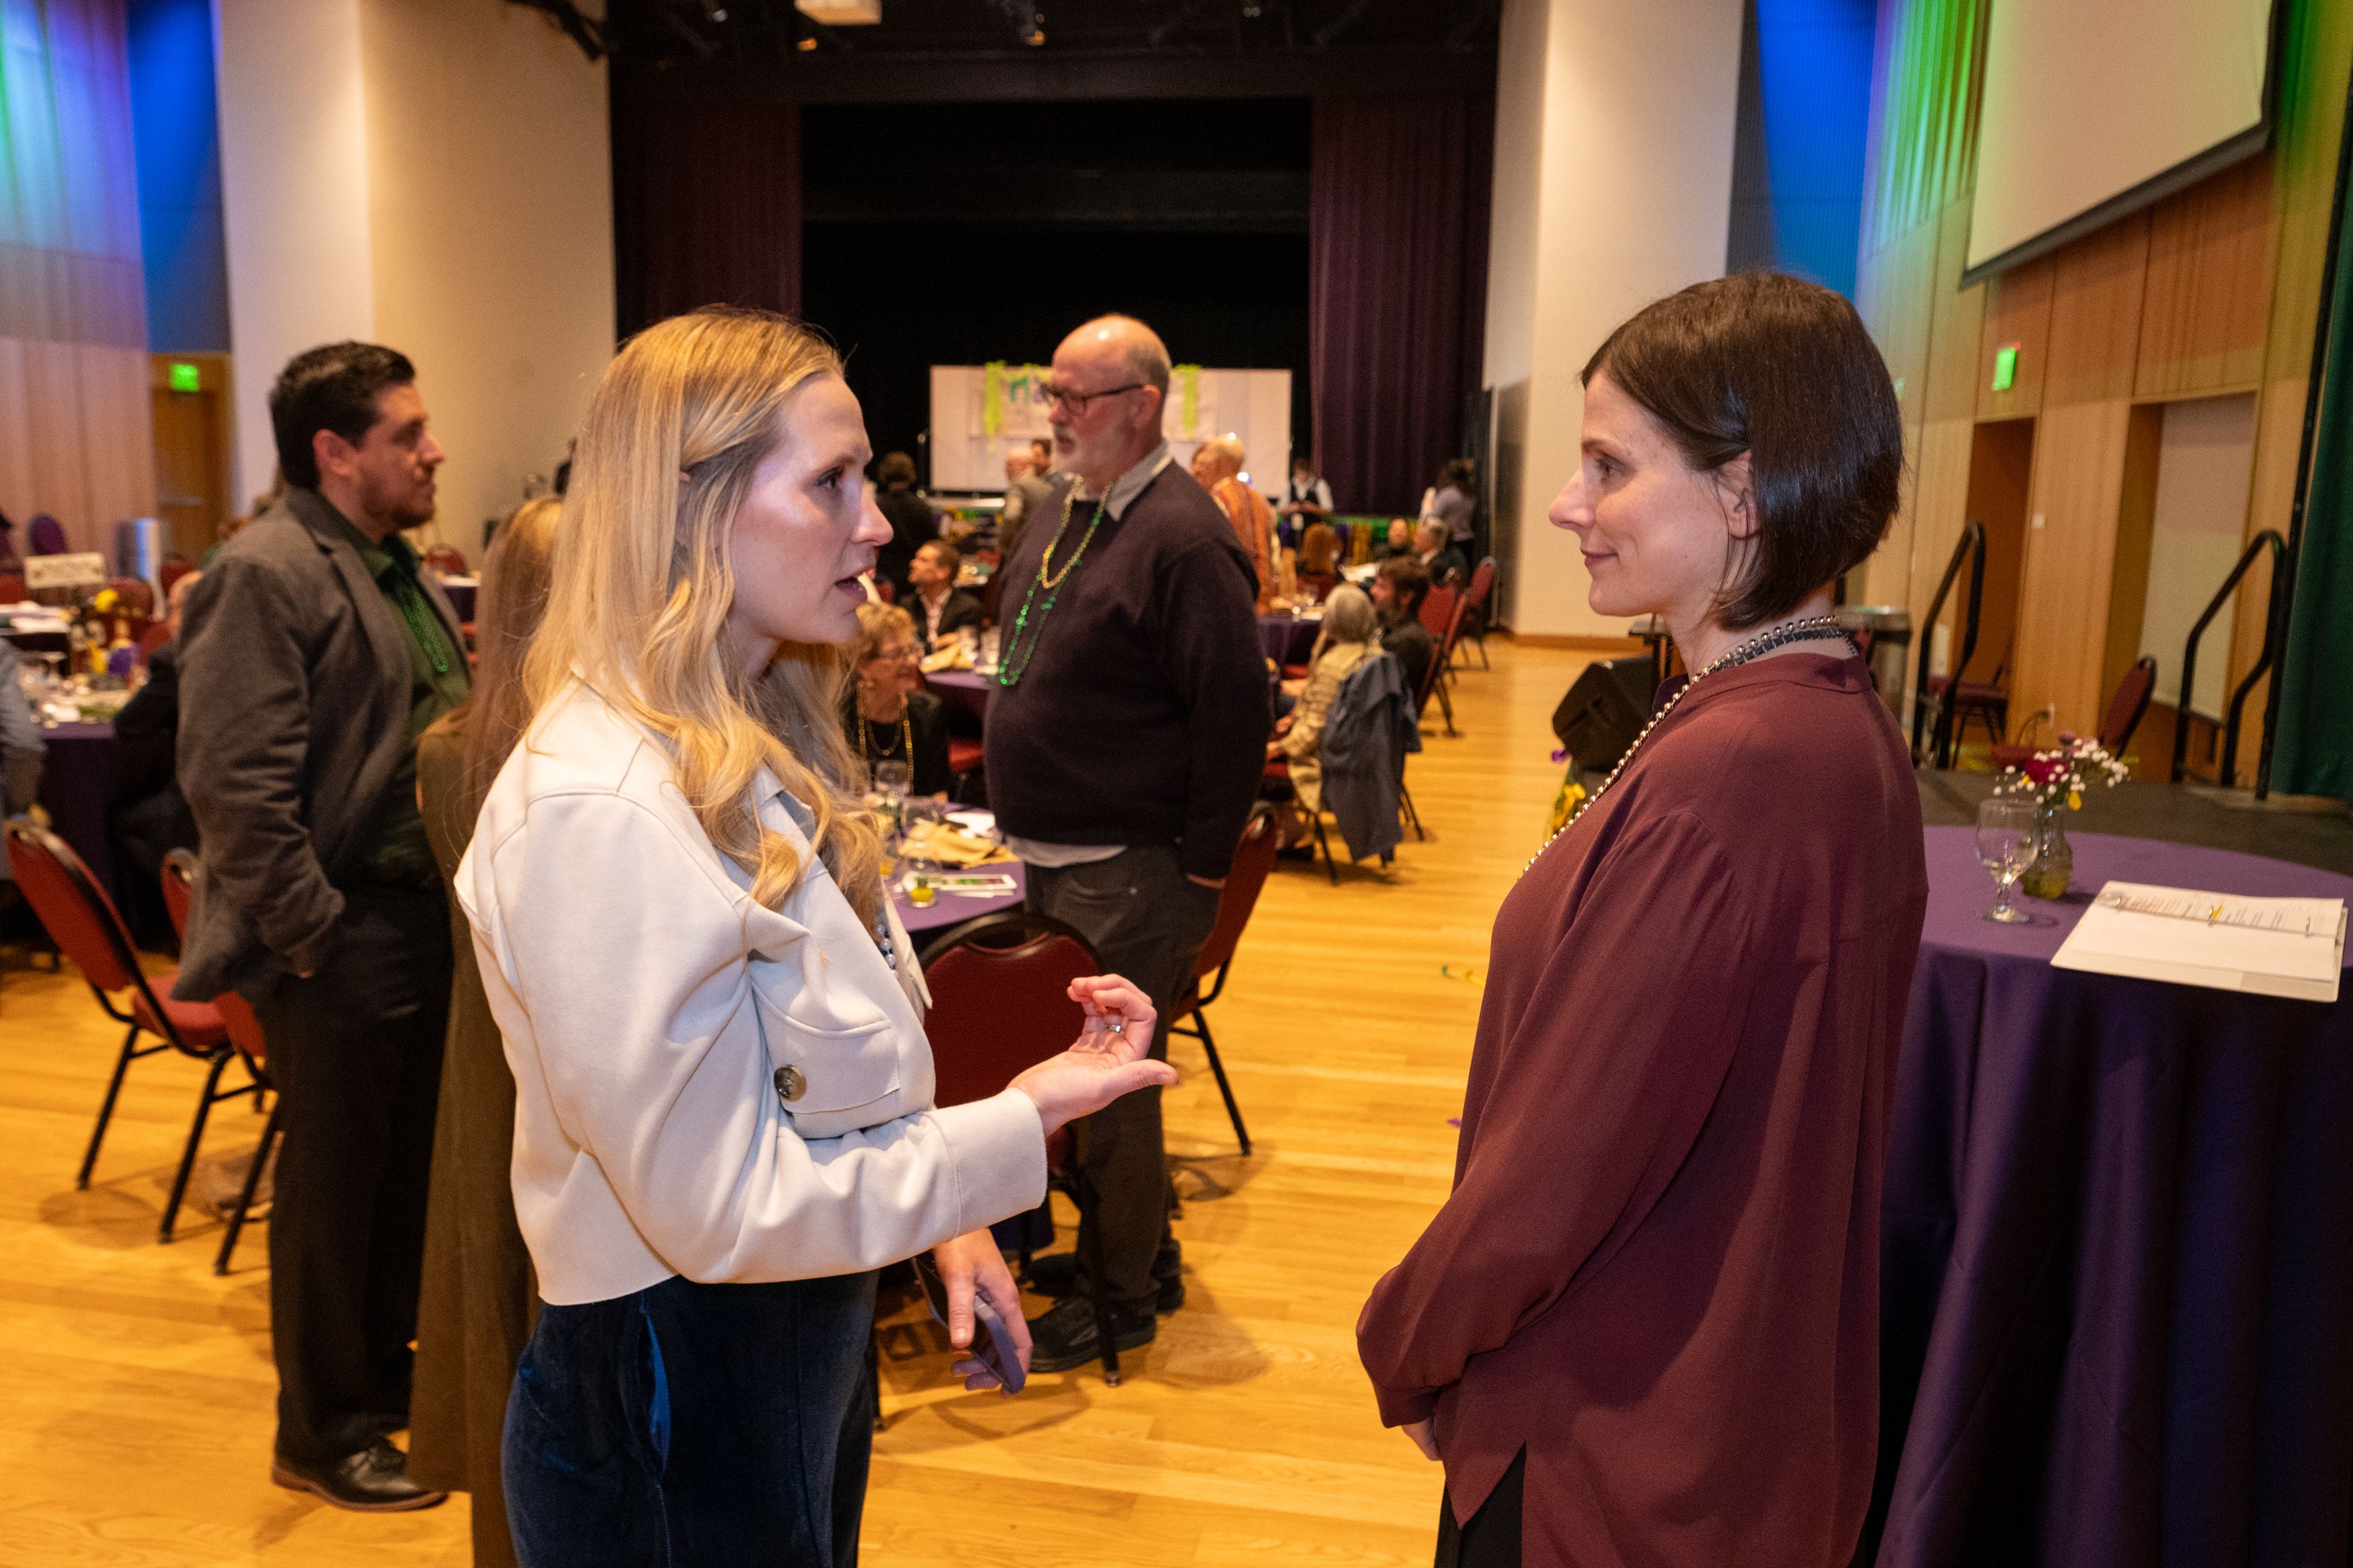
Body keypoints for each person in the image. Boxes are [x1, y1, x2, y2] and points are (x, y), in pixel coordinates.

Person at [453, 307, 1171, 1564]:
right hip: (673, 1400)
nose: (878, 521)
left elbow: (812, 1082)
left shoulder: (737, 740)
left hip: (769, 1362)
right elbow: (725, 1211)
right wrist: (1019, 1122)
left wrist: (941, 1215)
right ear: (692, 509)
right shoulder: (597, 804)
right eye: (831, 482)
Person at [1355, 272, 1929, 1567]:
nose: (1569, 504)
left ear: (1743, 493)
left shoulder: (1737, 767)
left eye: (1610, 466)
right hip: (1729, 1429)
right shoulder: (1826, 718)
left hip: (1609, 1440)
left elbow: (1560, 1173)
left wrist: (1409, 1340)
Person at [175, 341, 468, 1510]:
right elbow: (235, 789)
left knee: (399, 1179)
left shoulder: (389, 561)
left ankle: (380, 1379)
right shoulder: (264, 571)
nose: (434, 449)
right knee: (335, 1191)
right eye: (408, 433)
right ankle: (321, 1428)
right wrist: (316, 935)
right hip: (345, 932)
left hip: (418, 923)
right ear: (335, 452)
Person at [986, 313, 1271, 1372]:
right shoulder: (1072, 504)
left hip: (1134, 871)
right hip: (1067, 861)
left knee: (1109, 1096)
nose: (1055, 414)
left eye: (1077, 397)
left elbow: (1236, 713)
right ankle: (1140, 1256)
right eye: (1050, 393)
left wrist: (1199, 869)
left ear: (1143, 406)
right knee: (1092, 1081)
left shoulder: (1185, 536)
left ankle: (1122, 1297)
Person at [406, 496, 561, 1568]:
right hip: (549, 1053)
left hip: (485, 1052)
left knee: (502, 1295)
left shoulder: (448, 751)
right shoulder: (579, 760)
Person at [110, 571, 203, 924]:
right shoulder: (257, 647)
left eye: (172, 609)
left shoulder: (178, 657)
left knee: (124, 820)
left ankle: (163, 921)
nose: (166, 620)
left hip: (200, 801)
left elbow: (130, 724)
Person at [1270, 585, 1380, 840]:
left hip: (1328, 760)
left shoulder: (1335, 665)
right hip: (1361, 754)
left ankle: (1284, 826)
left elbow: (1316, 730)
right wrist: (1296, 715)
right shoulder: (1376, 655)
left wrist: (1275, 749)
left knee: (1249, 752)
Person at [842, 601, 952, 799]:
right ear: (862, 665)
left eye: (912, 650)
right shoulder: (840, 712)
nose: (911, 661)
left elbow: (938, 795)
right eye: (895, 655)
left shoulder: (927, 711)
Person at [1191, 435, 1281, 612]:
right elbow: (1275, 559)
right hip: (1262, 609)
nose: (1197, 474)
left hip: (1227, 607)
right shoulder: (1262, 502)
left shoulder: (1215, 501)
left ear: (1216, 464)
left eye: (1203, 466)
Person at [872, 450, 933, 602]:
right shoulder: (922, 506)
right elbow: (932, 542)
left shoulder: (878, 505)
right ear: (911, 473)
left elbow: (874, 545)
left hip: (885, 577)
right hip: (915, 575)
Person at [1372, 554, 1435, 698]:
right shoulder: (1391, 628)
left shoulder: (1407, 642)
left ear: (1406, 597)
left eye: (1382, 587)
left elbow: (1374, 691)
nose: (1373, 591)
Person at [907, 540, 983, 651]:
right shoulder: (907, 605)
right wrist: (936, 645)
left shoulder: (968, 608)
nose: (913, 564)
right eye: (916, 558)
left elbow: (967, 647)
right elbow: (906, 647)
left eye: (923, 560)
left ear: (943, 572)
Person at [1427, 457, 1477, 547]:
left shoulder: (1448, 494)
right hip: (1468, 540)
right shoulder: (1470, 494)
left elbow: (1434, 518)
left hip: (1452, 541)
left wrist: (1428, 506)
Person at [1415, 519, 1468, 585]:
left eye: (1418, 536)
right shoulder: (1424, 557)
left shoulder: (1438, 566)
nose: (1415, 540)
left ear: (1430, 541)